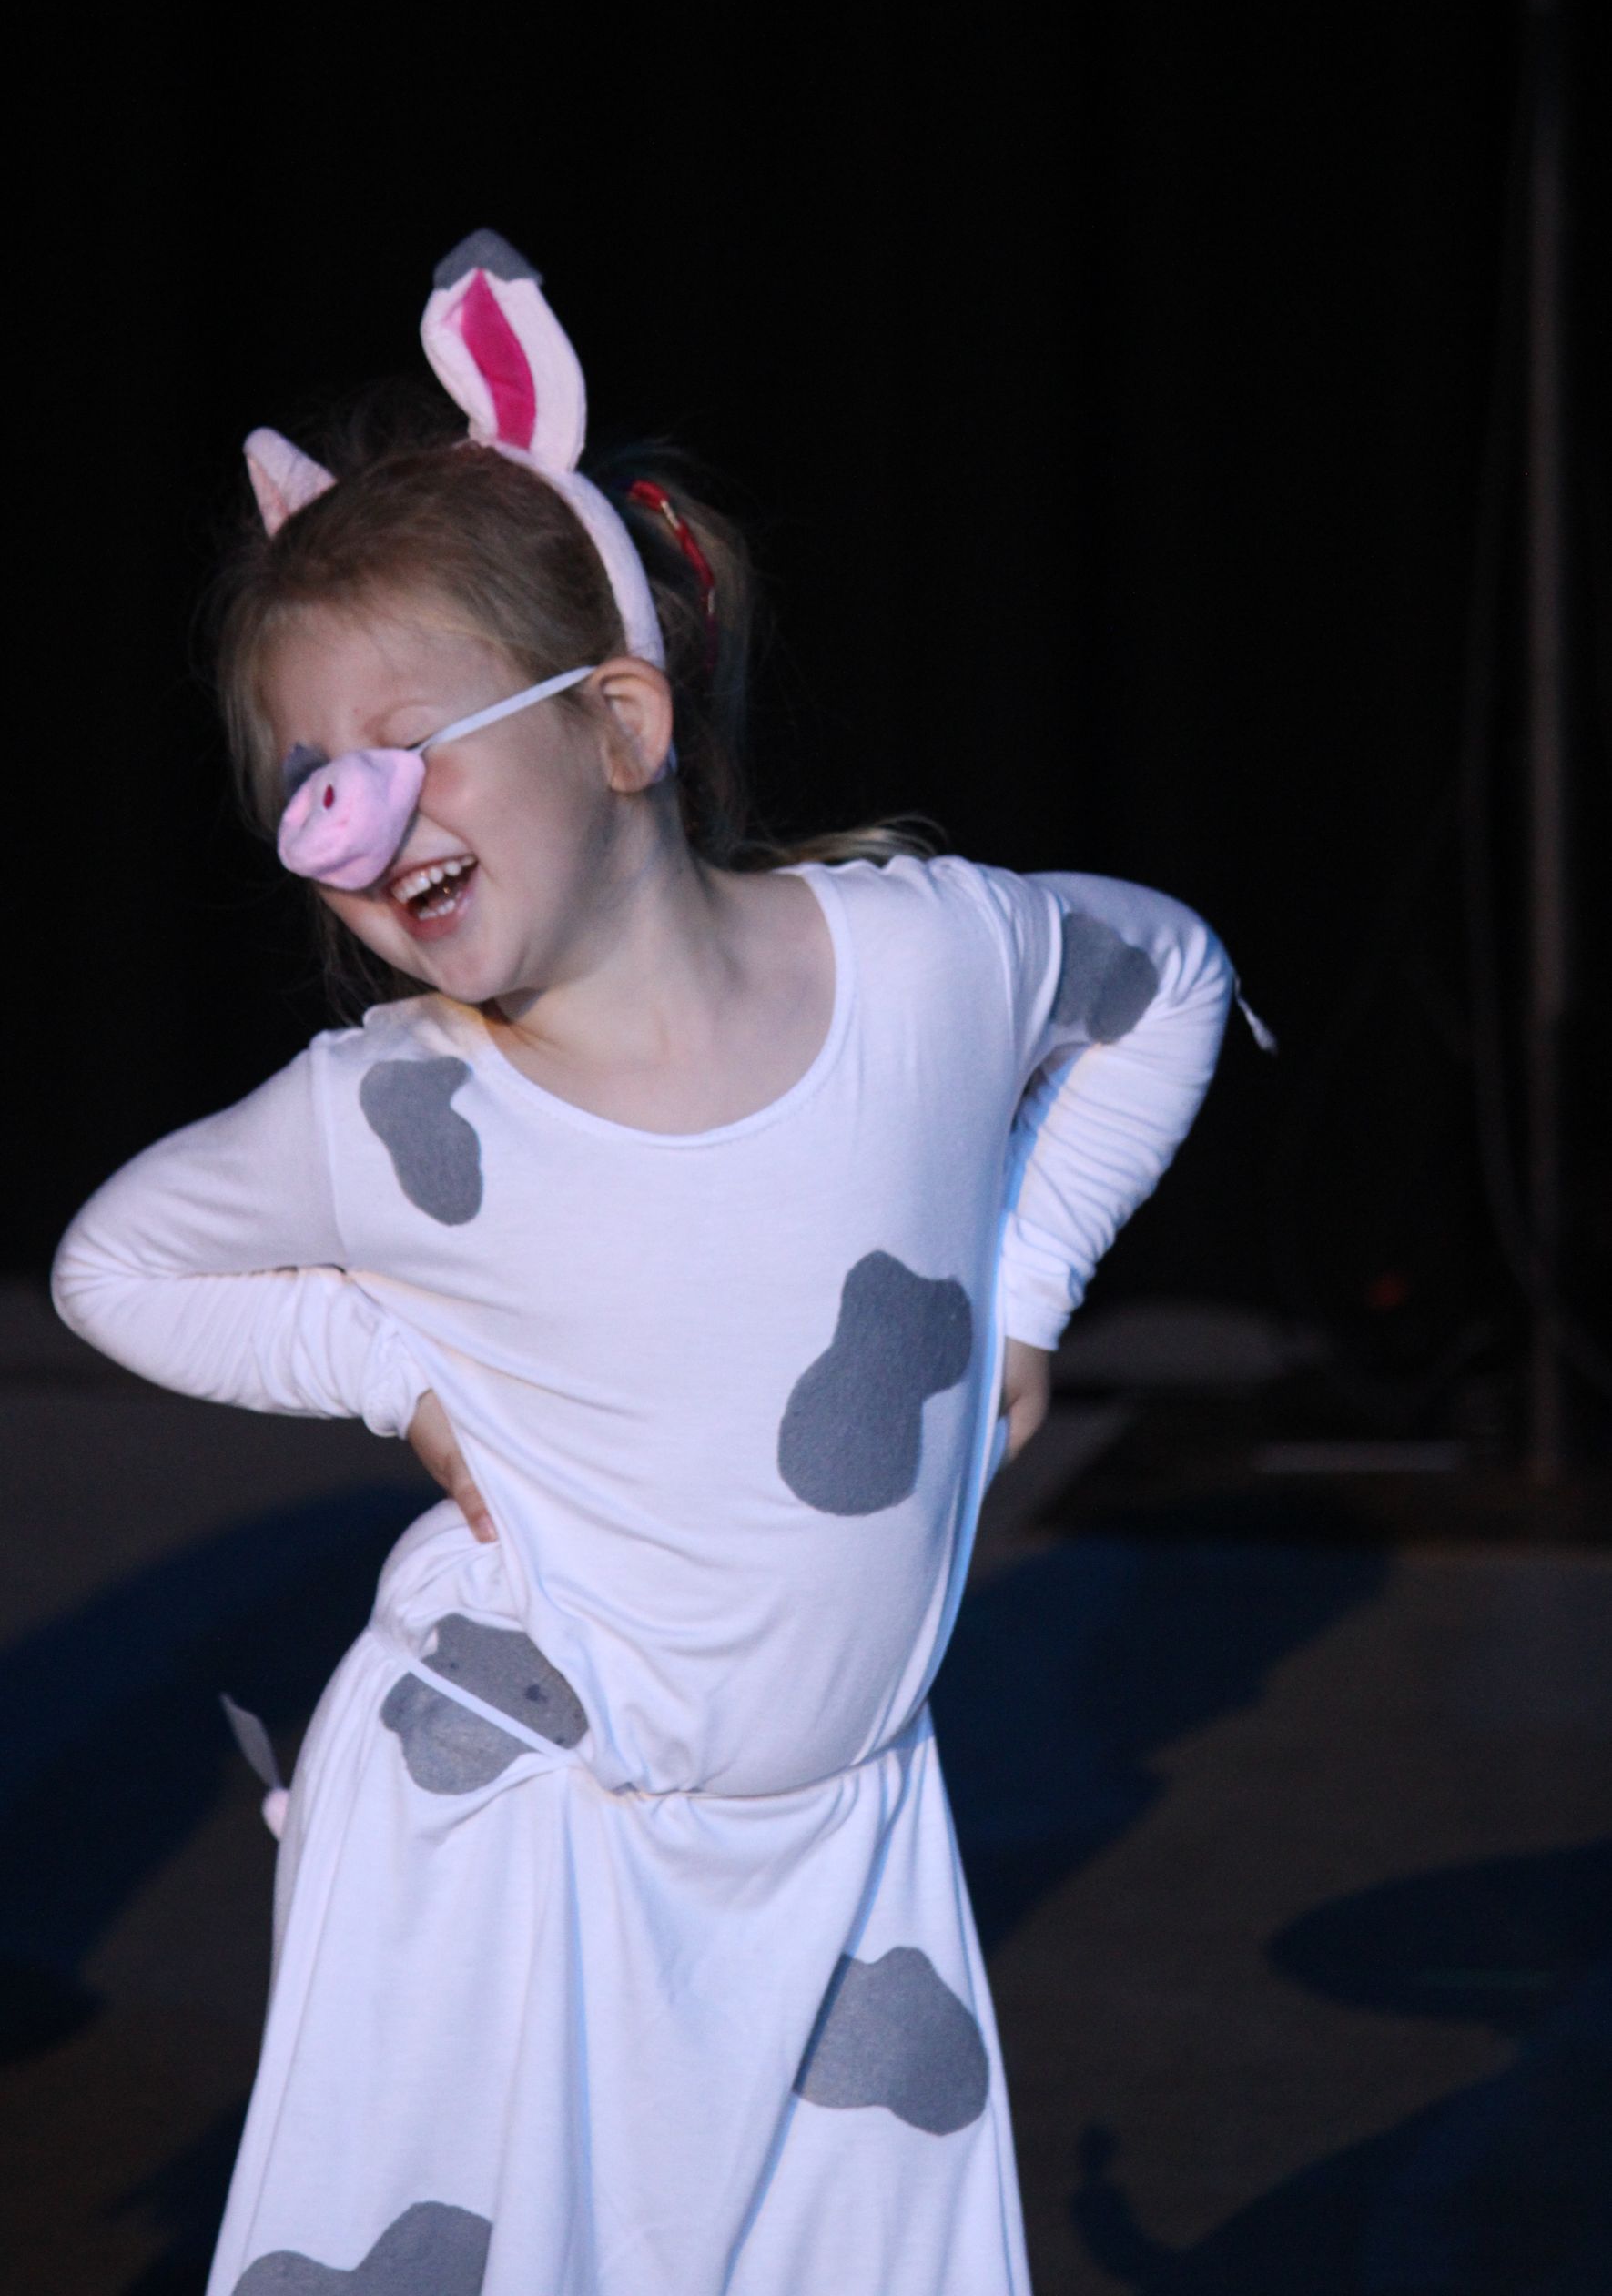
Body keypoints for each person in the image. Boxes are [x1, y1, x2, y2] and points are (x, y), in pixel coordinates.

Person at [53, 230, 1236, 2296]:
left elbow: (1174, 978)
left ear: (617, 720)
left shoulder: (932, 959)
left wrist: (1030, 1273)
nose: (359, 821)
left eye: (409, 744)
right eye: (314, 782)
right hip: (511, 1821)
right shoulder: (404, 1116)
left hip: (838, 1830)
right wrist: (399, 1374)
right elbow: (114, 1264)